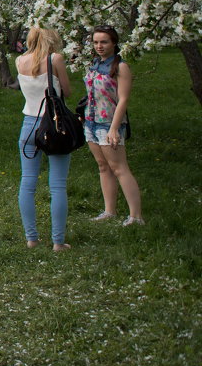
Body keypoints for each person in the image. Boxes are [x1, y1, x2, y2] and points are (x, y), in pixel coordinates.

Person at [15, 25, 73, 251]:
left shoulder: (20, 62)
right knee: (57, 185)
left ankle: (31, 238)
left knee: (27, 182)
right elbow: (66, 92)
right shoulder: (55, 59)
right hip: (54, 125)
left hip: (28, 125)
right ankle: (58, 241)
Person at [84, 26, 143, 226]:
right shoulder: (94, 64)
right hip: (91, 122)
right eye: (96, 42)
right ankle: (110, 211)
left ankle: (136, 216)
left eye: (104, 42)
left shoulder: (120, 67)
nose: (99, 46)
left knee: (119, 168)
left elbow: (123, 100)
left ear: (114, 43)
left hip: (109, 123)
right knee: (103, 167)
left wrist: (113, 129)